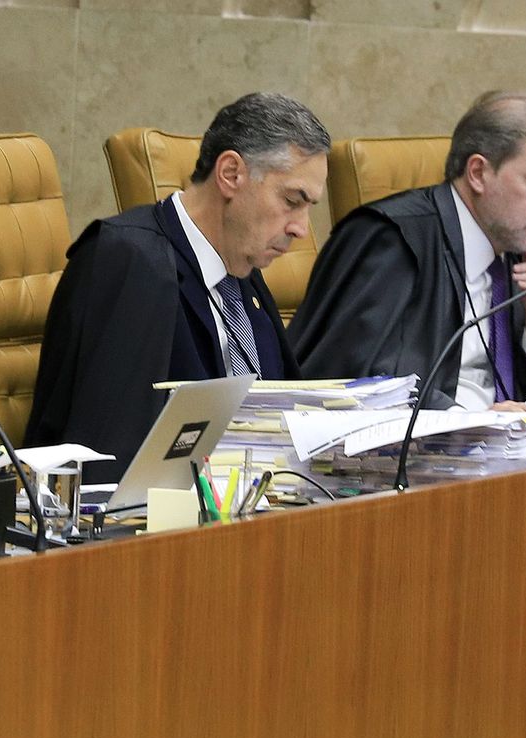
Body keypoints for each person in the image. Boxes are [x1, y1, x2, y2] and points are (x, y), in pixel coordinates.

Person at [24, 93, 325, 483]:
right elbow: (104, 459)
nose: (301, 228)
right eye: (292, 200)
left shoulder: (243, 275)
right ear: (231, 174)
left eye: (309, 207)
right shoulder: (128, 260)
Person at [286, 91, 526, 409]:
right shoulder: (392, 239)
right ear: (478, 173)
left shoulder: (518, 254)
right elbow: (355, 381)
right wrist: (469, 423)